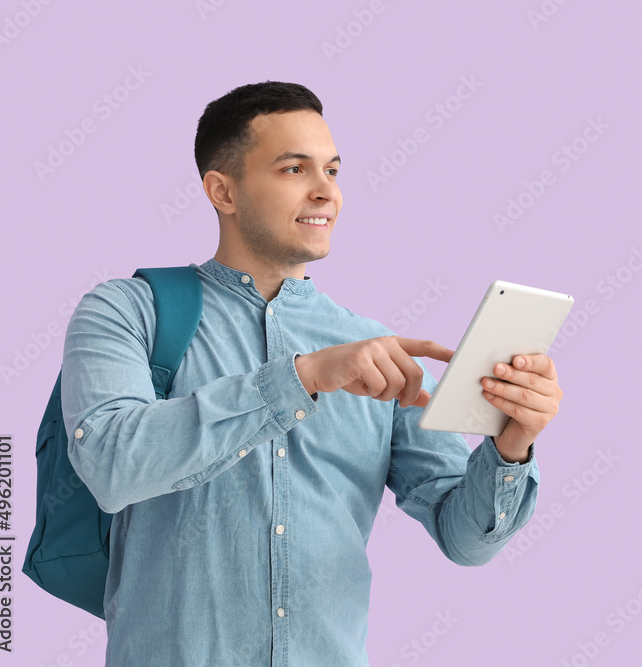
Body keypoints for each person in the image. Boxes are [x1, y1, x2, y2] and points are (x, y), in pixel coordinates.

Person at [61, 80, 564, 666]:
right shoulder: (128, 310)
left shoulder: (373, 350)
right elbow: (111, 466)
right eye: (294, 169)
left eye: (333, 170)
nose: (327, 191)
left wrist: (510, 447)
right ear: (222, 191)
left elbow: (465, 540)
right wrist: (300, 379)